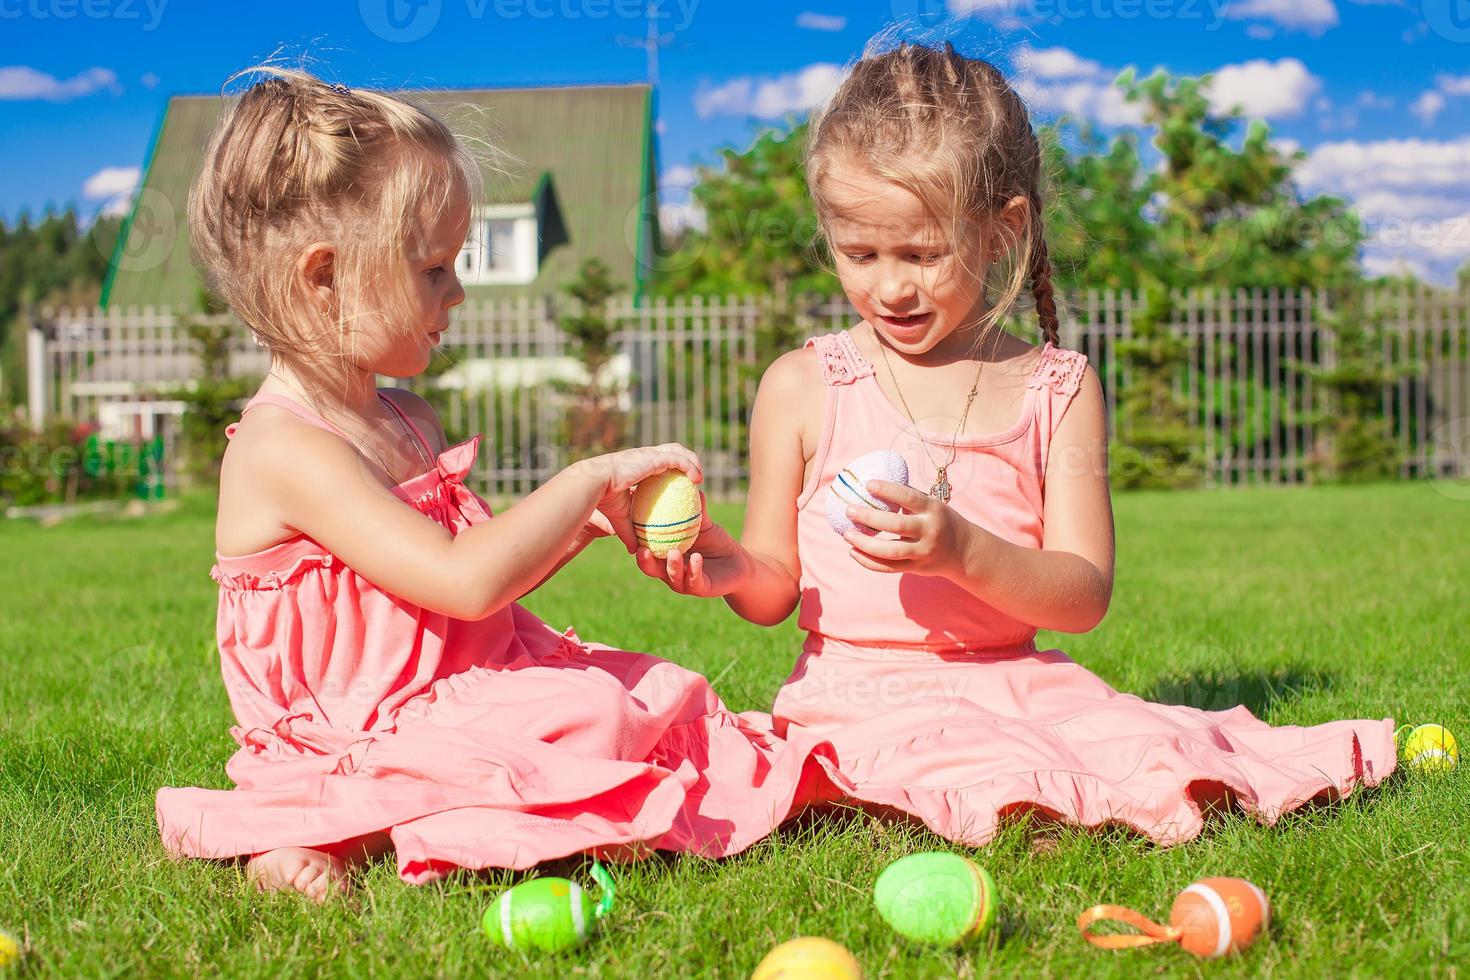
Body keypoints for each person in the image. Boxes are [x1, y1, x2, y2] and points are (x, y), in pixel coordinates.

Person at [638, 41, 1396, 848]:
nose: (889, 286)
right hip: (854, 695)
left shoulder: (1057, 390)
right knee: (960, 765)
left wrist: (960, 548)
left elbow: (1082, 595)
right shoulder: (801, 385)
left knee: (1130, 749)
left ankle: (1023, 796)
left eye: (923, 255)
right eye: (859, 254)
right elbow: (774, 590)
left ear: (1001, 232)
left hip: (1019, 686)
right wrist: (729, 567)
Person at [155, 65, 839, 901]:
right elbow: (465, 581)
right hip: (363, 723)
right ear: (324, 276)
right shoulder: (284, 448)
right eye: (433, 269)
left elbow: (465, 579)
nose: (459, 293)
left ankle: (390, 818)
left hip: (458, 684)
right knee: (590, 721)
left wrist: (583, 526)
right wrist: (584, 482)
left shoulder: (408, 418)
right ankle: (314, 825)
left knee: (651, 693)